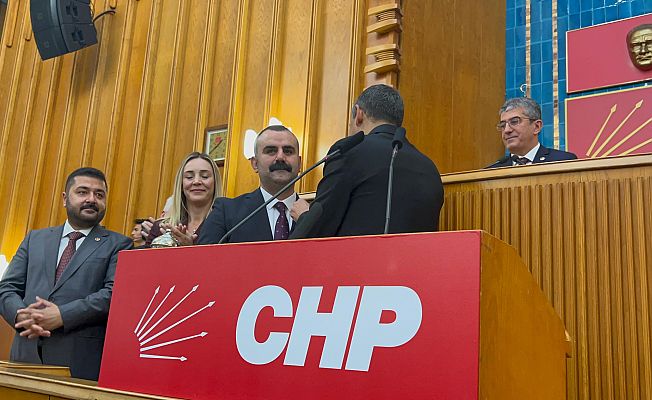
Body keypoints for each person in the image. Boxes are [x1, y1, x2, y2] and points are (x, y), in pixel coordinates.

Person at [0, 167, 132, 380]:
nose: (91, 199)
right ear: (64, 198)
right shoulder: (35, 239)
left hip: (78, 363)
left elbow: (112, 294)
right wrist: (21, 315)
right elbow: (7, 287)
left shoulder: (119, 244)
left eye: (99, 195)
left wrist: (62, 315)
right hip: (25, 355)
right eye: (82, 192)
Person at [290, 84, 444, 238]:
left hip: (357, 254)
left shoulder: (349, 151)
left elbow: (319, 229)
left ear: (359, 114)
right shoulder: (430, 168)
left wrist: (304, 217)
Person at [198, 125, 301, 244]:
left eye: (288, 151)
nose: (280, 157)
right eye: (271, 151)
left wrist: (306, 217)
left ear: (299, 163)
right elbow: (204, 255)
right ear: (255, 163)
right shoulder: (226, 212)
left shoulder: (314, 215)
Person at [145, 152, 222, 246]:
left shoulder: (227, 227)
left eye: (204, 176)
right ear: (181, 184)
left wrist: (189, 249)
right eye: (189, 177)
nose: (196, 181)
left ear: (215, 183)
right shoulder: (161, 227)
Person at [487, 97, 577, 168]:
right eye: (503, 125)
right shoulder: (492, 171)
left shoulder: (562, 162)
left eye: (514, 122)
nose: (507, 130)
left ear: (536, 126)